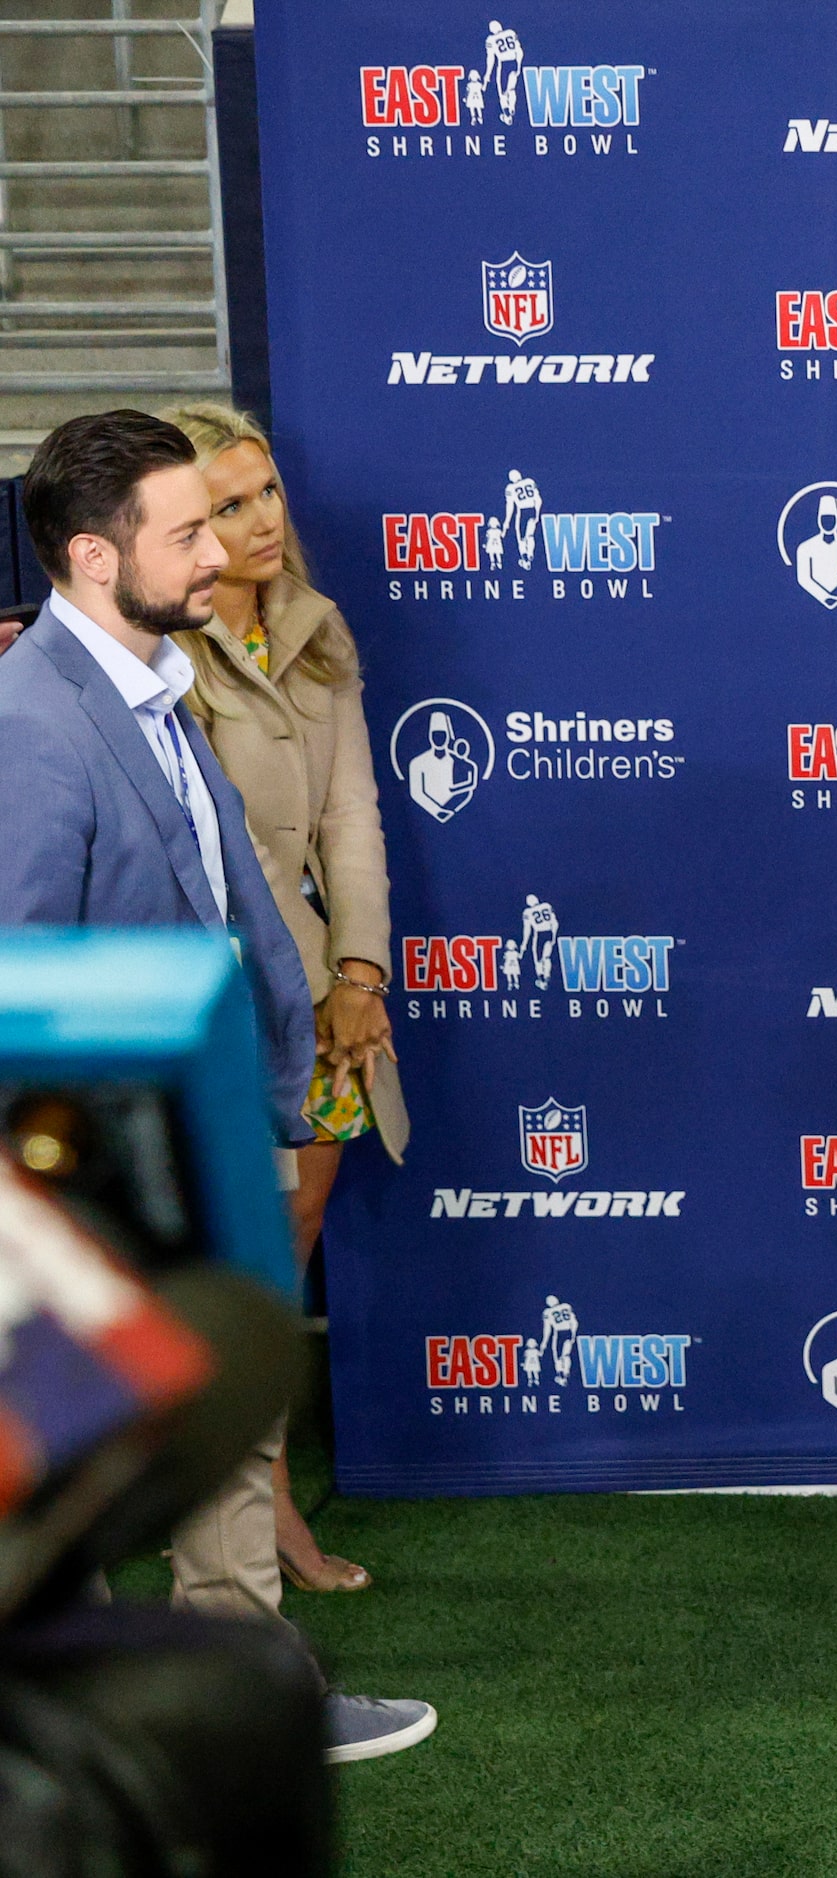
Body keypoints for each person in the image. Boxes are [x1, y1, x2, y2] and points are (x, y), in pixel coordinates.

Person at [0, 409, 432, 1763]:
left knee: (232, 1427)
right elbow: (20, 976)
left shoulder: (152, 678)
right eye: (185, 532)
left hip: (208, 1123)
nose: (219, 553)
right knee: (82, 1454)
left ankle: (249, 1701)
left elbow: (228, 903)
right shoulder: (34, 723)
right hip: (96, 1163)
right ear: (89, 555)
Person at [164, 401, 411, 1597]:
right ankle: (236, 1523)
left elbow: (353, 819)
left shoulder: (315, 626)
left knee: (292, 1245)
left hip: (328, 1001)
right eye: (226, 506)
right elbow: (207, 856)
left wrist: (359, 974)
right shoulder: (164, 642)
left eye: (264, 493)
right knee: (234, 1274)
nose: (260, 522)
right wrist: (311, 983)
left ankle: (252, 1497)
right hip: (226, 1002)